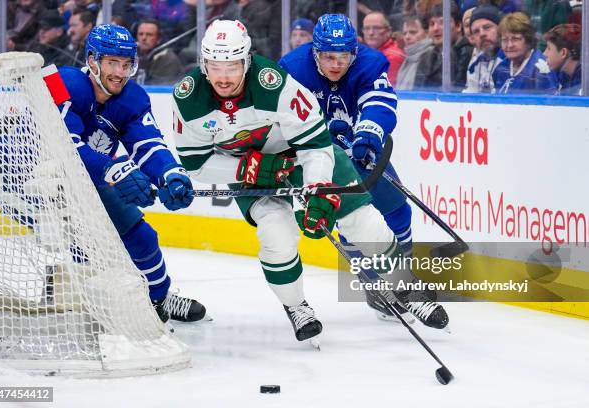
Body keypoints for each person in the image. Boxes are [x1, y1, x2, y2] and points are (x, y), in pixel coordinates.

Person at [173, 20, 449, 343]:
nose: (223, 77)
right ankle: (296, 306)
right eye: (215, 66)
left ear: (246, 61)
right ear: (203, 64)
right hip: (247, 171)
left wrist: (316, 188)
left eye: (232, 65)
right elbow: (196, 163)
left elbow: (316, 144)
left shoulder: (273, 84)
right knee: (275, 232)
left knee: (361, 219)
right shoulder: (189, 98)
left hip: (303, 155)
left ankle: (404, 286)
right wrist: (245, 171)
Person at [278, 14, 449, 330]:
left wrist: (369, 132)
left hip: (360, 147)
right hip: (316, 157)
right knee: (353, 216)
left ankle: (403, 279)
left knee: (396, 206)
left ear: (354, 52)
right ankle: (374, 283)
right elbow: (284, 122)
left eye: (344, 56)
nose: (336, 63)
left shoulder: (370, 62)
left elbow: (380, 101)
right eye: (328, 56)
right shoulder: (292, 70)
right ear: (314, 52)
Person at [47, 24, 206, 324]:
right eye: (112, 63)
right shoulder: (64, 83)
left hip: (92, 178)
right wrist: (113, 169)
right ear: (92, 61)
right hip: (38, 180)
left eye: (126, 63)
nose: (120, 72)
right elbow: (65, 146)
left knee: (143, 238)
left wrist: (170, 174)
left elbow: (148, 145)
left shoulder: (131, 99)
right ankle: (99, 304)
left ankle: (159, 301)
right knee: (92, 250)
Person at [492, 12, 558, 94]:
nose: (509, 45)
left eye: (515, 39)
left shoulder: (541, 70)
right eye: (505, 40)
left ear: (528, 40)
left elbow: (549, 104)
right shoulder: (501, 67)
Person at [463, 4, 504, 93]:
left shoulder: (512, 59)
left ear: (501, 28)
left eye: (487, 27)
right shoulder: (475, 64)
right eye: (476, 31)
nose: (482, 34)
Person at [361, 11, 405, 86]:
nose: (371, 33)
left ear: (388, 31)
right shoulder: (369, 54)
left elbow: (387, 91)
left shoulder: (392, 57)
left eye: (376, 28)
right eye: (367, 28)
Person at [134, 19, 183, 85]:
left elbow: (159, 87)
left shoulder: (168, 59)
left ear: (158, 39)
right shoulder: (129, 53)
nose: (144, 38)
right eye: (140, 34)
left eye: (149, 34)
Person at [396, 14, 434, 90]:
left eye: (413, 32)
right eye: (404, 33)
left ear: (427, 33)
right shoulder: (408, 58)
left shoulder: (432, 56)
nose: (407, 37)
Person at [543, 23, 582, 96]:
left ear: (563, 53)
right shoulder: (561, 75)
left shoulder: (584, 82)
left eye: (549, 48)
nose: (544, 54)